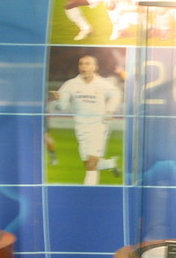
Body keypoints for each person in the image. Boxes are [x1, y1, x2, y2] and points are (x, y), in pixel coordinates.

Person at [49, 55, 122, 185]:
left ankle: (88, 193)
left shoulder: (103, 84)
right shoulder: (70, 84)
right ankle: (110, 163)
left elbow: (115, 95)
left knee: (91, 165)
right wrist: (57, 100)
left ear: (95, 67)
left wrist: (109, 110)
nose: (83, 66)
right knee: (89, 163)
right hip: (81, 128)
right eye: (81, 64)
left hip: (99, 127)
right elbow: (61, 106)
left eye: (87, 64)